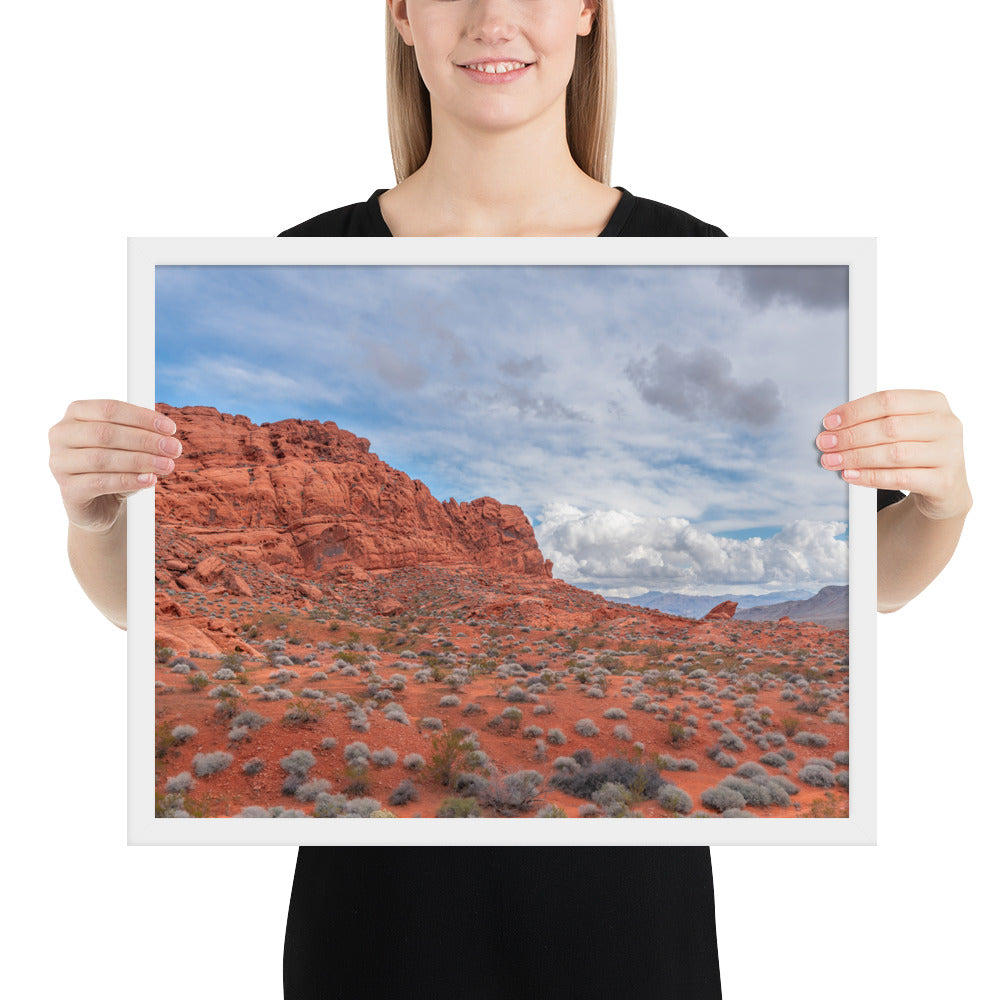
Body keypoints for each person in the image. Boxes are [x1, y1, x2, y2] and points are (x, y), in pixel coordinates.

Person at [47, 2, 972, 998]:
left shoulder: (688, 245)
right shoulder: (302, 251)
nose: (495, 17)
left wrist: (942, 501)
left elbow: (875, 584)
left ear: (586, 13)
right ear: (402, 14)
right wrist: (93, 515)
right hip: (372, 943)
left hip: (629, 945)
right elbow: (136, 607)